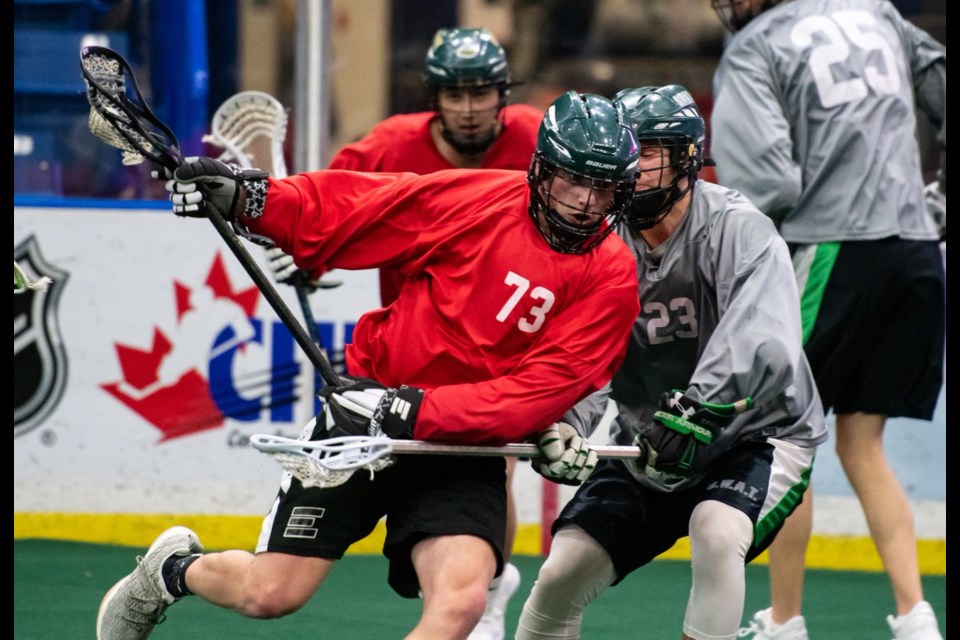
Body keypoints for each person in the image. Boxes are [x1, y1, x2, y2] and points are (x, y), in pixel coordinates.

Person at [96, 90, 642, 640]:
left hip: (463, 448)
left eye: (604, 188)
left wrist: (413, 411)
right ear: (542, 170)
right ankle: (170, 572)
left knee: (461, 605)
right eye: (575, 180)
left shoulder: (612, 277)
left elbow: (538, 392)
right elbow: (369, 206)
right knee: (268, 594)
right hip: (364, 414)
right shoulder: (484, 200)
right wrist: (251, 200)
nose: (587, 203)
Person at [514, 84, 827, 640]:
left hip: (757, 438)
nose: (633, 167)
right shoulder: (599, 245)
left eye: (650, 152)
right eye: (627, 152)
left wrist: (693, 410)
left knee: (715, 530)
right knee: (563, 571)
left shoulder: (737, 228)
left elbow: (767, 341)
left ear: (688, 161)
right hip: (650, 438)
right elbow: (586, 353)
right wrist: (567, 422)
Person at [265, 28, 547, 639]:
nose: (469, 108)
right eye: (455, 94)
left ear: (502, 94)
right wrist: (308, 250)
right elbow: (334, 207)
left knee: (495, 469)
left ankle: (488, 591)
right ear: (434, 98)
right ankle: (480, 585)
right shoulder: (390, 145)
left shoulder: (539, 142)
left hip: (503, 343)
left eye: (481, 93)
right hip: (405, 349)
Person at [708, 1, 946, 638]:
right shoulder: (876, 10)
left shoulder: (757, 45)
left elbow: (766, 186)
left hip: (831, 250)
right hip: (918, 251)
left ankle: (784, 621)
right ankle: (915, 617)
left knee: (786, 441)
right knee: (863, 444)